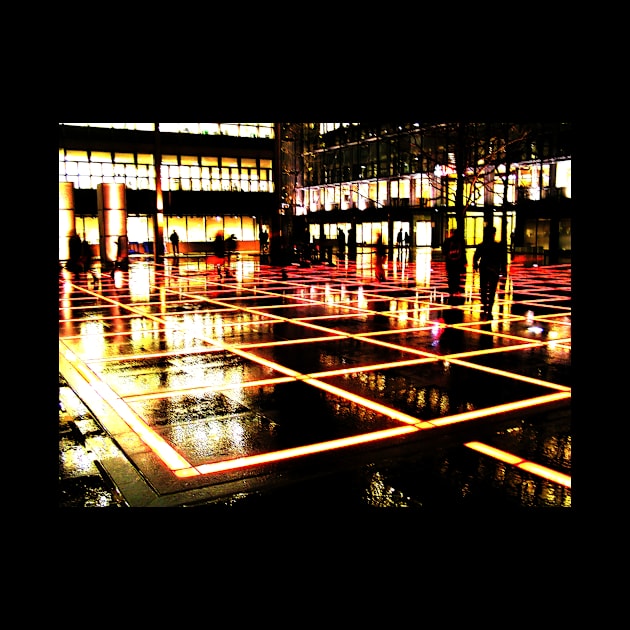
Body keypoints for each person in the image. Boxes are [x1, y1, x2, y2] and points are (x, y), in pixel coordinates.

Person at [473, 225, 507, 319]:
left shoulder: (482, 245)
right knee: (492, 291)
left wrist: (475, 265)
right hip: (494, 270)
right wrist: (504, 269)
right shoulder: (497, 246)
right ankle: (489, 310)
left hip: (484, 269)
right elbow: (502, 259)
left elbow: (476, 257)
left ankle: (485, 307)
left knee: (484, 289)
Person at [441, 228, 466, 295]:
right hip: (458, 263)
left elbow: (444, 251)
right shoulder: (461, 241)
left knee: (451, 276)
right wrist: (464, 262)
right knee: (457, 276)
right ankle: (456, 289)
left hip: (450, 263)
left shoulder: (448, 241)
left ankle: (452, 289)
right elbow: (463, 252)